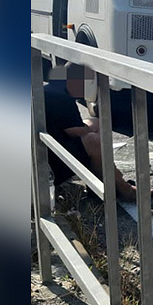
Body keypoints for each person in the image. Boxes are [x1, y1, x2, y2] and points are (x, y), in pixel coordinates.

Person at [44, 64, 144, 203]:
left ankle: (101, 183)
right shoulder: (60, 98)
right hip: (47, 169)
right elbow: (76, 132)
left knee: (95, 126)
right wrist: (92, 128)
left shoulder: (51, 90)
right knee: (93, 142)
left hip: (45, 157)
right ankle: (124, 189)